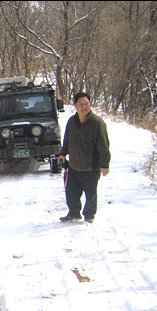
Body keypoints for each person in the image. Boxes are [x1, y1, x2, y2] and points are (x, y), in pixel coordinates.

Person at [57, 92, 110, 223]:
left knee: (90, 194)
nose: (84, 107)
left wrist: (104, 165)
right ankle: (74, 213)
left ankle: (89, 216)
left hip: (91, 167)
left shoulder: (97, 123)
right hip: (74, 166)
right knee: (71, 192)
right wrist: (63, 153)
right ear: (75, 106)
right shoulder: (72, 121)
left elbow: (104, 146)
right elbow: (67, 139)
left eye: (86, 104)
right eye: (81, 104)